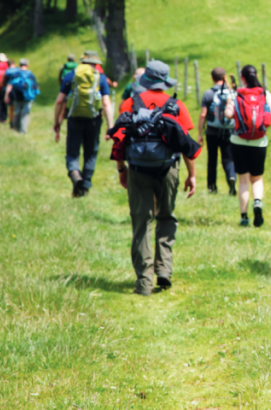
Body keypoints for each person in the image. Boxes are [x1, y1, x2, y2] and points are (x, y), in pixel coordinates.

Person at [108, 60, 200, 296]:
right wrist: (192, 175)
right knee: (166, 217)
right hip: (167, 169)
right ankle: (164, 271)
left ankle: (144, 282)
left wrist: (121, 169)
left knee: (141, 223)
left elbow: (119, 139)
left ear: (145, 79)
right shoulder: (176, 105)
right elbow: (184, 142)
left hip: (138, 169)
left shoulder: (130, 103)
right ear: (165, 82)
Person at [53, 51, 115, 197]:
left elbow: (59, 101)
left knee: (72, 152)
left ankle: (75, 175)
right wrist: (110, 126)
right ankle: (85, 185)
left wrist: (57, 122)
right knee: (91, 152)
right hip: (94, 120)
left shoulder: (71, 76)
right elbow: (106, 103)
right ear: (96, 63)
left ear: (82, 61)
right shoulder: (100, 78)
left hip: (75, 119)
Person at [224, 64, 271, 227]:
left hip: (238, 141)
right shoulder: (265, 93)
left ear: (242, 77)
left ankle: (243, 217)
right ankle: (257, 202)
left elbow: (228, 114)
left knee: (243, 180)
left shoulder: (236, 94)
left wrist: (230, 102)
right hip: (259, 142)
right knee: (257, 178)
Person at [198, 67, 237, 194]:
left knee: (212, 159)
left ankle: (212, 187)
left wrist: (200, 134)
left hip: (212, 131)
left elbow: (203, 114)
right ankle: (231, 177)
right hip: (229, 131)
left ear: (212, 78)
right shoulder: (231, 92)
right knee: (228, 158)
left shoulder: (208, 93)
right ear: (224, 77)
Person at [5, 58, 40, 134]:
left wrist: (7, 96)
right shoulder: (30, 74)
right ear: (27, 65)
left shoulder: (15, 74)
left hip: (17, 97)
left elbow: (9, 85)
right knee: (25, 114)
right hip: (28, 98)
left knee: (17, 113)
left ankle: (16, 129)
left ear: (19, 65)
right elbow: (36, 86)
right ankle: (23, 131)